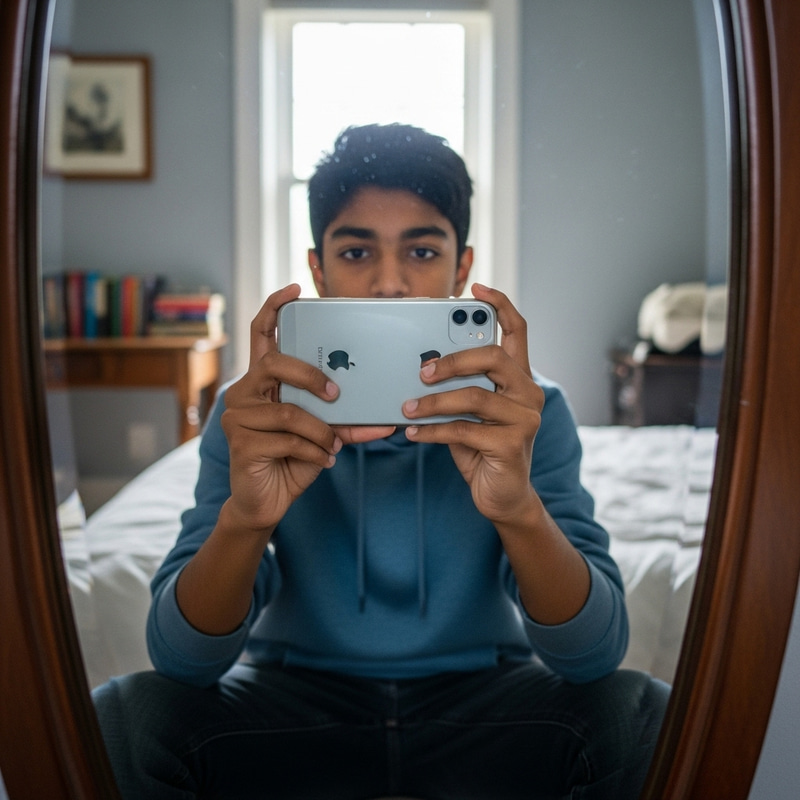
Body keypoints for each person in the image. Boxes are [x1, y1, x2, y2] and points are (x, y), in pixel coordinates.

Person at [93, 123, 669, 799]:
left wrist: (517, 509)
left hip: (483, 708)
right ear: (319, 270)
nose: (390, 283)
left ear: (462, 268)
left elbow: (595, 657)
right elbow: (183, 663)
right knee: (128, 718)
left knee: (639, 715)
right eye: (358, 250)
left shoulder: (530, 410)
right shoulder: (255, 412)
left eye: (421, 250)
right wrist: (246, 521)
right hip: (293, 711)